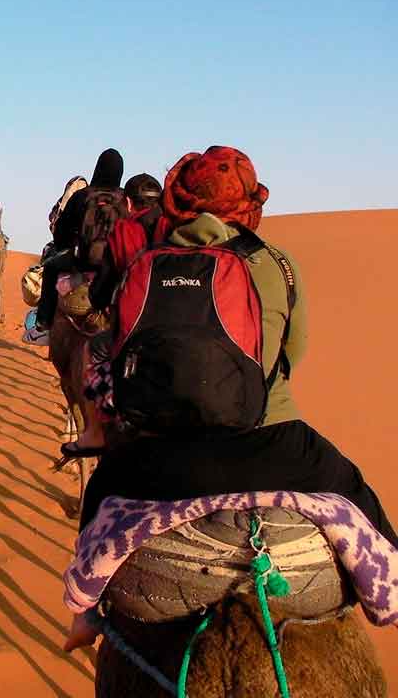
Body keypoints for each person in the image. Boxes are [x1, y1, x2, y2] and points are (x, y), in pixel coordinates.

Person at [63, 145, 397, 649]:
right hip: (273, 441)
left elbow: (125, 354)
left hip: (167, 457)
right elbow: (294, 352)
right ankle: (387, 598)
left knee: (102, 489)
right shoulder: (278, 265)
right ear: (248, 206)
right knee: (354, 488)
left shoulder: (147, 263)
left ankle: (86, 614)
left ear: (180, 201)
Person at [23, 149, 124, 346]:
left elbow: (61, 233)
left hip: (81, 259)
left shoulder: (82, 195)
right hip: (114, 264)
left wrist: (69, 247)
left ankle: (43, 326)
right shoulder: (124, 199)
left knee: (51, 267)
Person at [88, 172, 165, 310]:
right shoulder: (175, 227)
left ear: (129, 203)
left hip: (137, 318)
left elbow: (100, 293)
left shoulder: (123, 232)